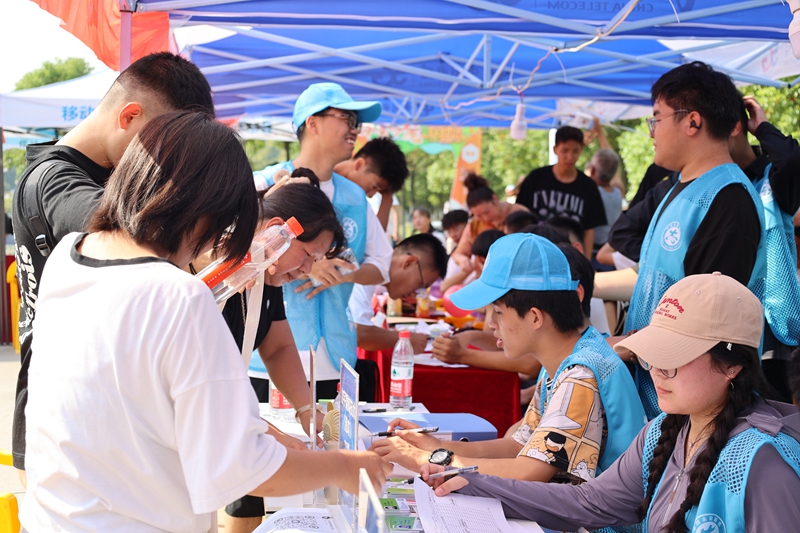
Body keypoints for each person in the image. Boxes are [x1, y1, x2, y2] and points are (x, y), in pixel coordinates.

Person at [21, 111, 391, 533]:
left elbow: (145, 406)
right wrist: (345, 466)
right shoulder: (180, 296)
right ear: (203, 209)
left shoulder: (70, 254)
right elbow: (239, 467)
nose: (221, 240)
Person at [428, 273, 800, 533]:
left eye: (674, 357)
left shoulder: (763, 463)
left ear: (733, 365)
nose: (656, 370)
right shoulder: (665, 430)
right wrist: (474, 484)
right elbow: (587, 503)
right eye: (652, 355)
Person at [11, 52, 215, 476]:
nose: (164, 164)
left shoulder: (104, 174)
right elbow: (129, 244)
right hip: (61, 418)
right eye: (164, 146)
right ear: (129, 116)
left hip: (91, 408)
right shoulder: (54, 179)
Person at [371, 234, 645, 484]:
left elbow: (530, 471)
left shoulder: (579, 375)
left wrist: (429, 461)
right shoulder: (563, 360)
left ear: (535, 317)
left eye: (498, 313)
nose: (491, 324)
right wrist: (431, 445)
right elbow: (516, 444)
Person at [624, 62, 768, 420]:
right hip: (658, 400)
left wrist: (622, 349)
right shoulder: (678, 189)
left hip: (694, 412)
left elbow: (705, 327)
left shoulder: (728, 199)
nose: (651, 131)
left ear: (692, 121)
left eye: (656, 118)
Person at [215, 173, 347, 533]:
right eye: (307, 255)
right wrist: (272, 435)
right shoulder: (218, 272)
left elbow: (278, 345)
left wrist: (307, 409)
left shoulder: (267, 275)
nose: (307, 270)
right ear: (277, 230)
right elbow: (209, 390)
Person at [253, 82, 393, 396]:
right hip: (266, 358)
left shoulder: (356, 197)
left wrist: (343, 272)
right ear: (312, 123)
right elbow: (227, 250)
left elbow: (383, 267)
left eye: (357, 122)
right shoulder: (264, 183)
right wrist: (307, 263)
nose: (355, 129)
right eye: (347, 119)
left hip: (335, 360)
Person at [515, 125, 607, 258]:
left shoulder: (588, 186)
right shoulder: (536, 178)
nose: (570, 157)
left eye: (575, 151)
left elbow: (589, 230)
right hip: (536, 252)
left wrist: (586, 261)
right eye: (565, 150)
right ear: (555, 149)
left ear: (581, 150)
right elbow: (521, 215)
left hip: (572, 255)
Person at [349, 233, 448, 354]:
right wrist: (405, 338)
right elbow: (358, 333)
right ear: (409, 262)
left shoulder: (374, 269)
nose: (414, 295)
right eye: (420, 285)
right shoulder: (367, 269)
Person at [450, 173, 528, 274]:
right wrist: (462, 259)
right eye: (478, 215)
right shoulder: (474, 224)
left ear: (494, 198)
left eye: (487, 212)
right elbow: (458, 253)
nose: (485, 218)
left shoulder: (520, 214)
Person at [334, 136, 409, 231]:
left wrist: (387, 197)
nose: (370, 195)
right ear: (359, 165)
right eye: (374, 186)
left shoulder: (356, 201)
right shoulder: (319, 180)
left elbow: (375, 238)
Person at [587, 148, 622, 254]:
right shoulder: (618, 192)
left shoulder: (591, 192)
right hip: (610, 248)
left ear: (592, 170)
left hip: (593, 250)